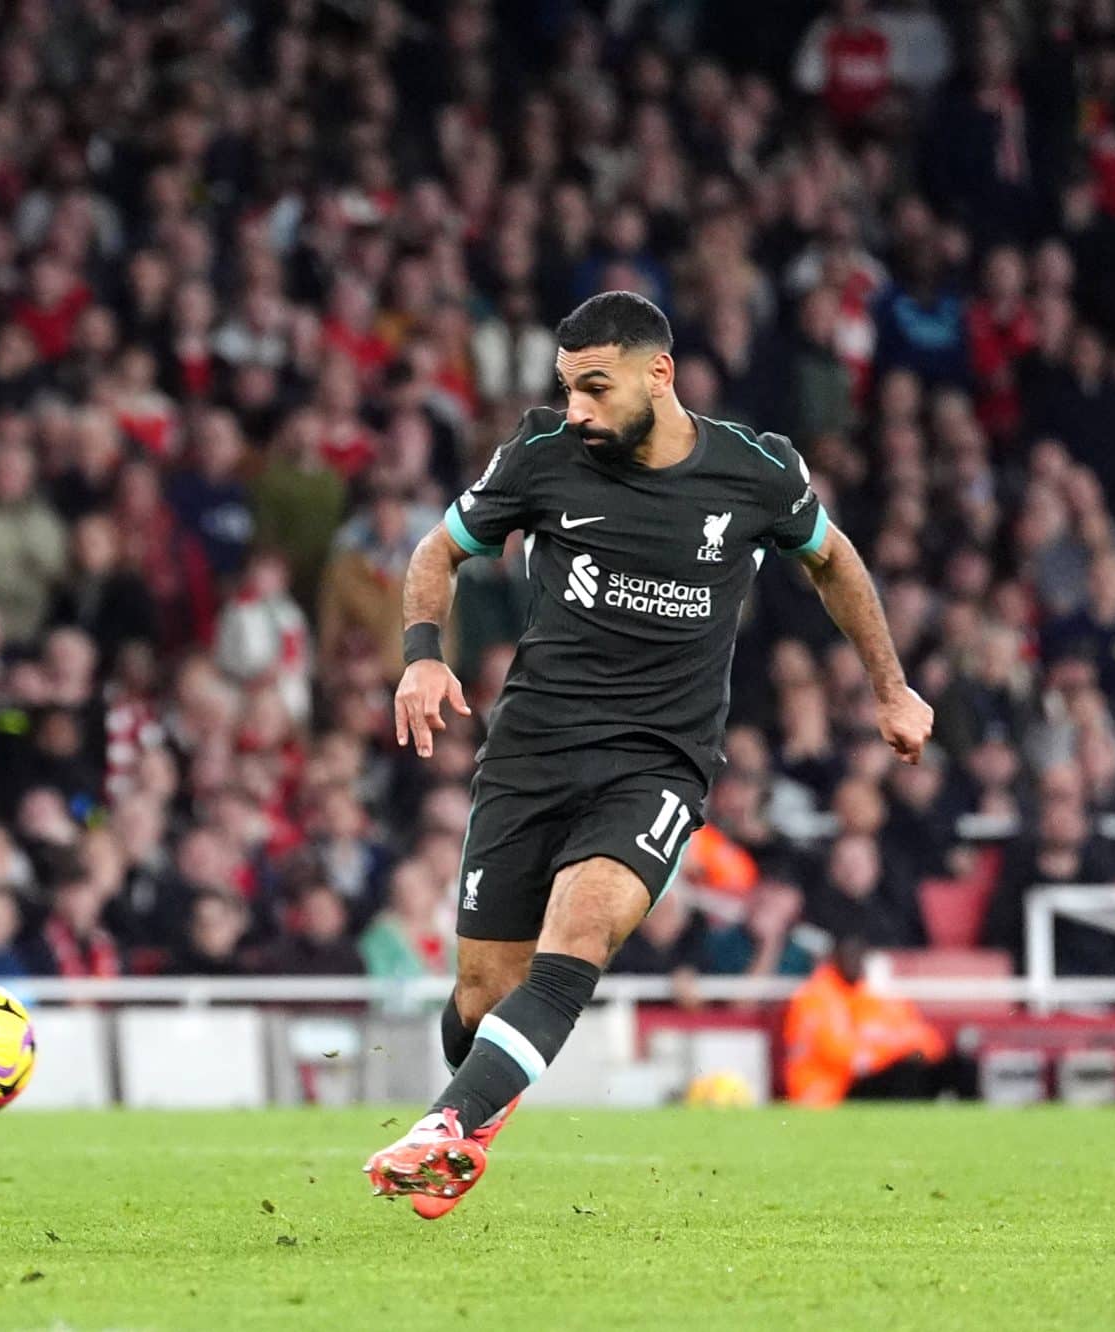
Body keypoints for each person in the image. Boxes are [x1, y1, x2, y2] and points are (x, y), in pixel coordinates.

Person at [367, 292, 934, 1219]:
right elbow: (438, 551)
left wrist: (890, 687)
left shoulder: (756, 471)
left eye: (595, 387)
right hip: (533, 753)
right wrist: (423, 658)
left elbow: (834, 561)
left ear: (658, 374)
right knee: (481, 996)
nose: (577, 409)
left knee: (580, 935)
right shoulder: (543, 456)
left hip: (657, 763)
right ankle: (474, 1111)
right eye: (567, 388)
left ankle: (446, 1127)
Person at [783, 937, 966, 1105]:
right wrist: (894, 1050)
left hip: (867, 1073)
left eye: (860, 958)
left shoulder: (866, 996)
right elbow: (843, 1054)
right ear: (835, 959)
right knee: (906, 1072)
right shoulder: (818, 997)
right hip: (832, 1087)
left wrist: (904, 1049)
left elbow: (921, 1037)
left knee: (956, 1065)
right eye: (850, 957)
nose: (856, 964)